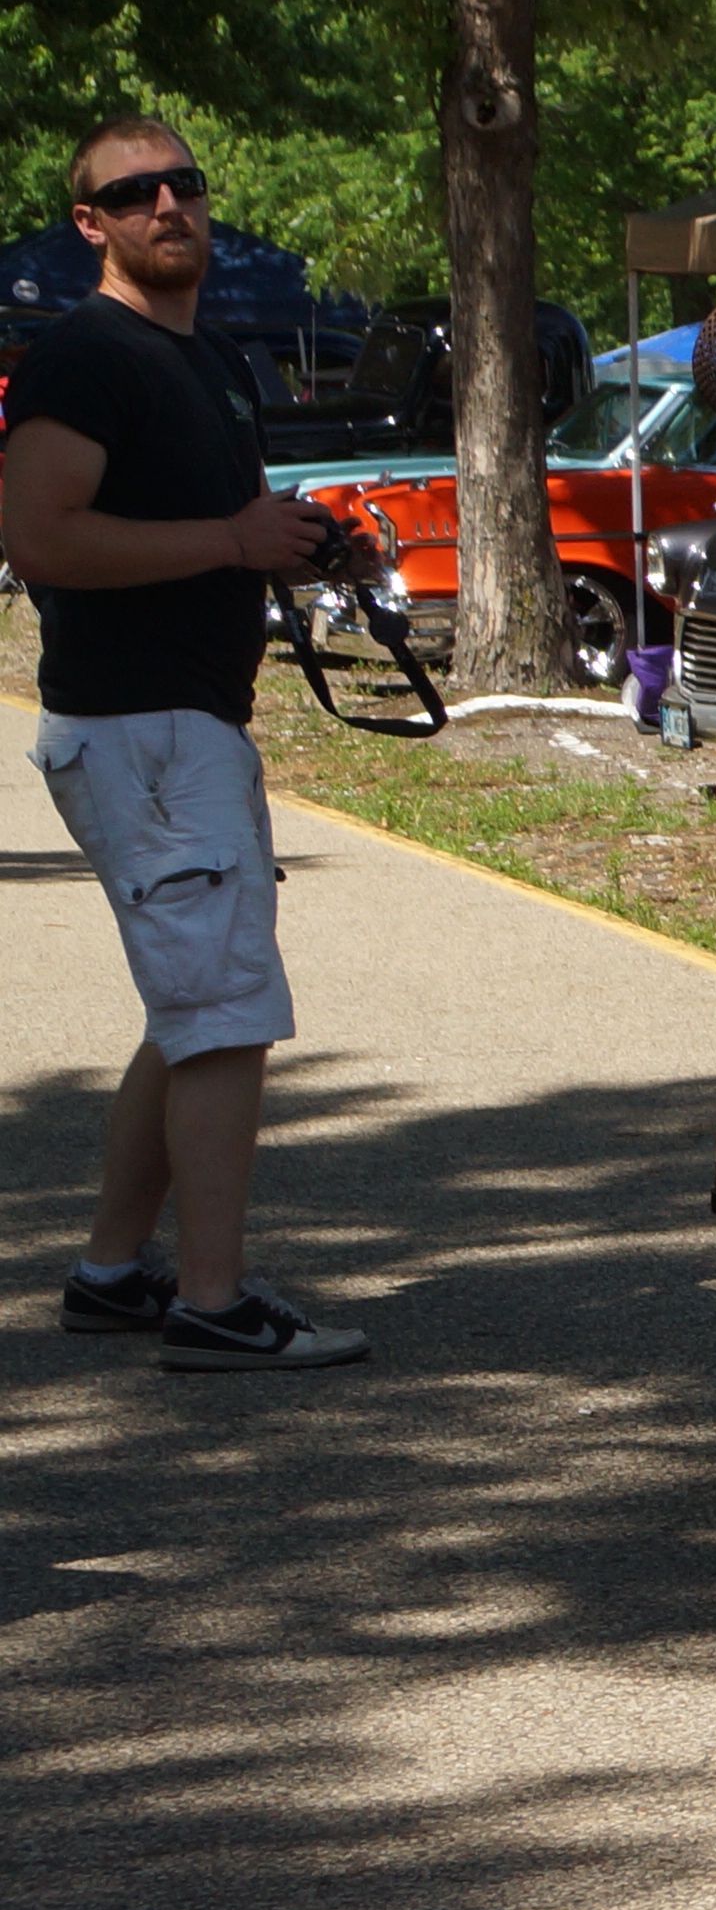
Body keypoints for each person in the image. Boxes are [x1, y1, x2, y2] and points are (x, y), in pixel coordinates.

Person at [7, 112, 365, 1366]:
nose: (168, 205)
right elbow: (38, 539)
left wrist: (294, 539)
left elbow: (223, 527)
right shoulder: (83, 359)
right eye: (133, 192)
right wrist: (228, 541)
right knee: (222, 1012)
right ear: (90, 225)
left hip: (186, 727)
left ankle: (115, 1272)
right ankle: (213, 1305)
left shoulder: (207, 360)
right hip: (138, 731)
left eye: (183, 184)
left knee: (188, 1005)